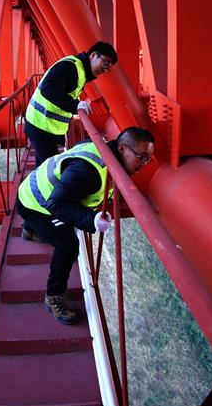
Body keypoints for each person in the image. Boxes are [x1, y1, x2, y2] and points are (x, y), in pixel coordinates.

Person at [16, 126, 156, 324]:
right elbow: (56, 204)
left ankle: (30, 231)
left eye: (148, 159)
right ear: (123, 149)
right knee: (68, 245)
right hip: (35, 205)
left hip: (32, 190)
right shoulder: (88, 171)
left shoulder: (101, 148)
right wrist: (91, 219)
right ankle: (54, 296)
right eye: (142, 157)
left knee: (61, 224)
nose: (144, 164)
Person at [24, 42, 117, 168]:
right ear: (93, 55)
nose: (105, 70)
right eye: (105, 63)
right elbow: (48, 89)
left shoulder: (80, 71)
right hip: (40, 126)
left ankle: (32, 188)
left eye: (109, 68)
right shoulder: (71, 67)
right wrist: (75, 105)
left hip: (45, 126)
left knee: (42, 168)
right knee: (50, 171)